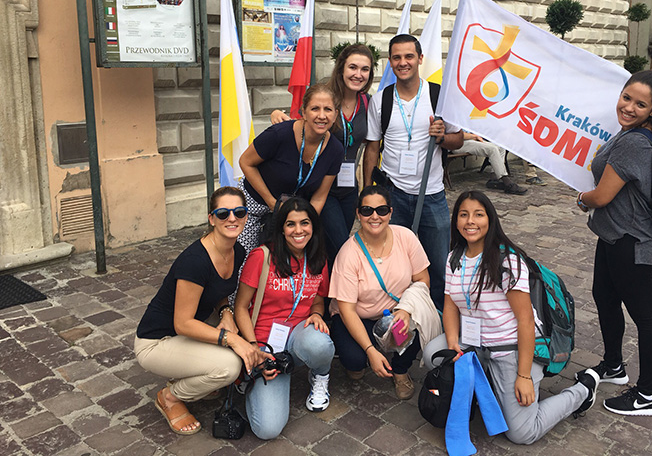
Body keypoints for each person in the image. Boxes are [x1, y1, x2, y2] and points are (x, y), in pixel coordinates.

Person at [423, 191, 599, 445]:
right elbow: (450, 307)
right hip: (473, 343)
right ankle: (488, 391)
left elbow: (526, 320)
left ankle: (582, 391)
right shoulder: (454, 258)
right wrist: (452, 342)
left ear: (490, 219)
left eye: (478, 215)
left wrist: (524, 376)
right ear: (456, 221)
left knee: (522, 433)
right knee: (433, 354)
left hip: (510, 348)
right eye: (463, 215)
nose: (470, 221)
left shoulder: (507, 260)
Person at [575, 68, 652, 416]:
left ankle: (648, 395)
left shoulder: (636, 142)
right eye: (626, 98)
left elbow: (602, 196)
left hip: (632, 243)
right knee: (604, 298)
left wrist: (582, 199)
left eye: (640, 104)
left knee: (648, 318)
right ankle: (614, 366)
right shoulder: (631, 134)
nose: (629, 107)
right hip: (613, 236)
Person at [134, 187, 260, 435]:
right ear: (211, 218)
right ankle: (170, 396)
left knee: (239, 340)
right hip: (157, 341)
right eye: (223, 213)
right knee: (230, 366)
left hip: (192, 325)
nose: (232, 218)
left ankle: (199, 375)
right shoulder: (195, 261)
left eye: (239, 212)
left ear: (246, 216)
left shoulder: (237, 250)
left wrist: (225, 311)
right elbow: (182, 323)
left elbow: (219, 288)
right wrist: (230, 337)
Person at [363, 34, 463, 309]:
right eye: (396, 57)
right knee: (392, 266)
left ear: (420, 59)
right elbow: (372, 148)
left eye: (409, 56)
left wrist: (442, 137)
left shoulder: (438, 96)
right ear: (390, 62)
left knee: (439, 266)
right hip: (391, 196)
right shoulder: (381, 100)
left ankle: (439, 323)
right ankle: (398, 321)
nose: (403, 62)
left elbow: (459, 139)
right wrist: (369, 193)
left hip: (431, 196)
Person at [234, 197, 334, 439]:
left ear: (313, 226)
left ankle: (320, 375)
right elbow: (240, 307)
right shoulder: (262, 257)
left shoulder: (318, 259)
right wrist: (253, 348)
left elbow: (318, 298)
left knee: (320, 343)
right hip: (263, 344)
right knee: (267, 429)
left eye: (305, 223)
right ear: (281, 228)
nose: (298, 230)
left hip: (298, 337)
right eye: (291, 224)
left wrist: (317, 314)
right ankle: (250, 380)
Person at [271, 44, 375, 265]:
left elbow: (373, 144)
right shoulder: (326, 97)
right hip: (322, 187)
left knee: (333, 245)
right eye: (353, 67)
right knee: (340, 247)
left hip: (349, 188)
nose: (358, 74)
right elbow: (301, 123)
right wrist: (277, 114)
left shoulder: (368, 103)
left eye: (364, 69)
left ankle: (326, 293)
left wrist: (367, 187)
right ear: (341, 68)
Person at [329, 186, 433, 400]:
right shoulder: (348, 254)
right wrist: (370, 350)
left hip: (397, 313)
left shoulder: (406, 237)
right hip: (359, 316)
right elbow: (347, 310)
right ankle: (365, 354)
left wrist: (405, 310)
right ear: (358, 214)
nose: (374, 216)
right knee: (355, 361)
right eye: (367, 210)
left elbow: (423, 280)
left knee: (414, 325)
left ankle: (401, 370)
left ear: (391, 212)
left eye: (381, 210)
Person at [238, 83, 344, 255]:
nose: (322, 116)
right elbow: (245, 162)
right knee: (246, 261)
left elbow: (319, 197)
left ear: (336, 114)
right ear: (304, 111)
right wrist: (272, 203)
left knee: (283, 263)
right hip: (254, 206)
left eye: (328, 109)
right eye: (315, 108)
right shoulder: (279, 134)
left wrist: (304, 223)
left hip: (290, 215)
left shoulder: (335, 150)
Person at [458, 131, 528, 195]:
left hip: (471, 139)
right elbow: (456, 134)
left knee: (501, 147)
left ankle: (493, 179)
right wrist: (474, 136)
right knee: (492, 149)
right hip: (458, 143)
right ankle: (507, 182)